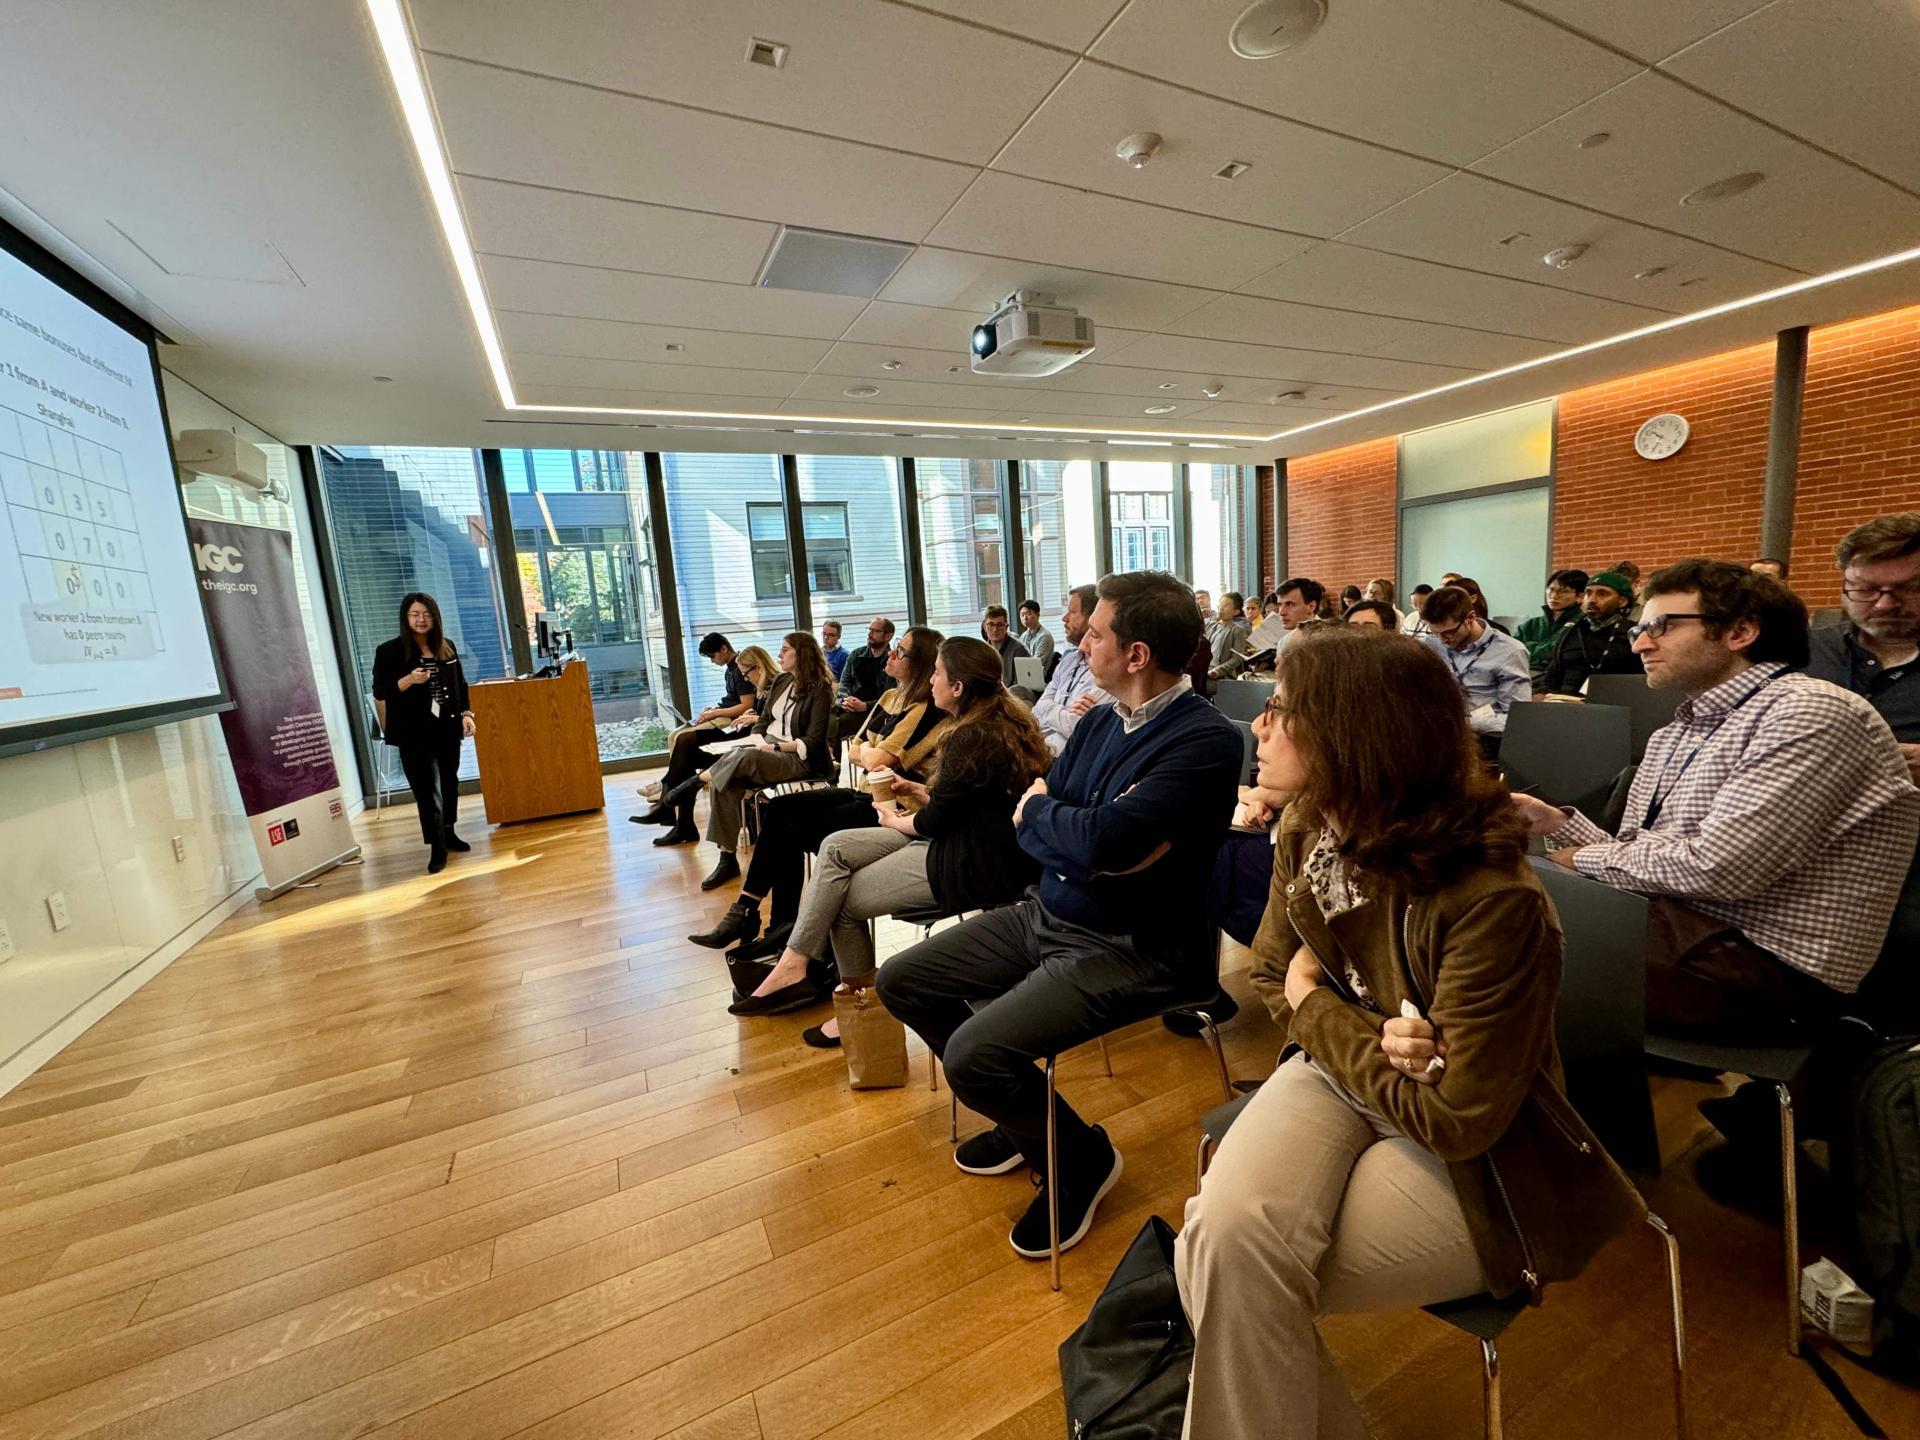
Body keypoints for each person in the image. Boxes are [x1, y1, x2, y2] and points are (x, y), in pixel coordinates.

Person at [1175, 626, 1645, 1440]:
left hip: (1486, 1158)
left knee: (1225, 1264)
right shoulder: (1313, 823)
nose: (1257, 724)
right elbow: (1264, 973)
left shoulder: (1493, 899)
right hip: (1341, 1076)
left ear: (1350, 737)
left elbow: (1457, 1118)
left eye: (1280, 709)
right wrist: (1352, 1026)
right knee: (1223, 1252)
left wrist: (1317, 1007)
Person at [877, 571, 1243, 1260]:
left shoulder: (1206, 742)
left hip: (1137, 945)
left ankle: (1078, 1159)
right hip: (1050, 909)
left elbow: (1095, 837)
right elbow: (1038, 811)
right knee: (903, 979)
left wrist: (1065, 823)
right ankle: (1028, 1120)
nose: (1082, 640)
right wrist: (1069, 826)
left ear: (1135, 654)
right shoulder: (1103, 719)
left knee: (974, 1053)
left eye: (1095, 633)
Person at [1513, 560, 1920, 1041]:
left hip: (1769, 969)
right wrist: (1556, 823)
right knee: (1485, 915)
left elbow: (1721, 868)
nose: (1641, 642)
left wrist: (1581, 858)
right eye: (1642, 628)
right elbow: (1644, 858)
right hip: (1686, 932)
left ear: (1740, 631)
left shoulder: (1810, 711)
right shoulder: (1677, 731)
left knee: (1500, 939)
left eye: (1662, 626)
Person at [730, 636, 1051, 1037]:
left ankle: (861, 1006)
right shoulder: (992, 722)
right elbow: (970, 801)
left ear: (958, 688)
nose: (930, 680)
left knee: (840, 902)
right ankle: (795, 963)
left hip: (969, 860)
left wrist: (892, 819)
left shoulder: (970, 735)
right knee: (834, 846)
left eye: (937, 673)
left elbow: (933, 822)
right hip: (968, 840)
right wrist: (916, 791)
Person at [691, 627, 947, 954]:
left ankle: (775, 926)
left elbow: (874, 756)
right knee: (780, 809)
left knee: (790, 829)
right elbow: (855, 748)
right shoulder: (889, 698)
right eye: (896, 647)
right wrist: (871, 750)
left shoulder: (920, 709)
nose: (894, 653)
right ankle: (751, 911)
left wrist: (870, 750)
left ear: (921, 663)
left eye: (902, 651)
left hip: (892, 806)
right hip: (865, 792)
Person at [1803, 514, 1920, 1017]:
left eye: (1909, 589)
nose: (1887, 604)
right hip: (1801, 838)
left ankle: (1881, 1080)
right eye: (1867, 591)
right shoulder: (1806, 652)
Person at [679, 632, 836, 891]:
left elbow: (814, 741)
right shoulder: (783, 681)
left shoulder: (820, 690)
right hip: (767, 747)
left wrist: (772, 746)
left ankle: (696, 782)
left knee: (743, 756)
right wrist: (756, 739)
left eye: (785, 650)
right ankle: (727, 858)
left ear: (802, 654)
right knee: (728, 779)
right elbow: (763, 721)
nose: (779, 655)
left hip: (798, 757)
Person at [372, 592, 476, 874]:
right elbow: (380, 691)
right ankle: (436, 845)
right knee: (427, 789)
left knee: (449, 782)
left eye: (426, 614)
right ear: (406, 618)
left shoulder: (446, 646)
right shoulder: (390, 651)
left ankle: (449, 832)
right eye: (415, 614)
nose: (421, 620)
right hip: (413, 732)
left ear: (435, 617)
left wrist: (466, 714)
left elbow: (460, 686)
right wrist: (408, 680)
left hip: (446, 726)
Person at [636, 646, 771, 843]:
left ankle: (675, 815)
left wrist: (754, 717)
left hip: (749, 744)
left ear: (758, 667)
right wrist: (751, 715)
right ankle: (674, 812)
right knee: (683, 741)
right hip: (742, 734)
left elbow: (774, 722)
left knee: (686, 745)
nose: (745, 678)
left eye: (746, 674)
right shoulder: (759, 684)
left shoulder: (774, 685)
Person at [1419, 585, 1531, 758]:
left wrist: (1465, 724)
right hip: (1438, 731)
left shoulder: (1510, 652)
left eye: (1449, 632)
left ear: (1470, 617)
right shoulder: (1431, 644)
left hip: (1484, 738)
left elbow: (1517, 718)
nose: (1443, 640)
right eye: (1435, 633)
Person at [1031, 583, 1109, 754]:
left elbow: (1077, 727)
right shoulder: (1069, 659)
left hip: (1062, 759)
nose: (1064, 618)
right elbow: (1037, 710)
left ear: (1092, 619)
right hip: (1038, 751)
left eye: (1072, 612)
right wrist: (1059, 713)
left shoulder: (1107, 668)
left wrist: (1048, 707)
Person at [1539, 570, 1641, 697]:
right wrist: (1542, 694)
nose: (1592, 600)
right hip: (1563, 702)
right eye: (1588, 593)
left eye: (1602, 594)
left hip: (1611, 704)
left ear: (1622, 601)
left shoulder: (1632, 634)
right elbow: (1552, 674)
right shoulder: (1572, 631)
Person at [1515, 568, 1588, 670]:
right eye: (1551, 589)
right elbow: (1510, 650)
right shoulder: (1530, 624)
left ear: (1580, 596)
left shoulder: (1583, 624)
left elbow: (1558, 651)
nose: (1554, 596)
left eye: (1563, 591)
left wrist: (1528, 647)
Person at [837, 616, 895, 716]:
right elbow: (844, 682)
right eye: (869, 629)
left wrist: (865, 706)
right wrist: (845, 700)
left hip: (875, 711)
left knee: (839, 725)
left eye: (876, 631)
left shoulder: (892, 662)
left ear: (888, 636)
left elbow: (889, 697)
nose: (869, 634)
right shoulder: (856, 654)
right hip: (851, 705)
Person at [1205, 591, 1252, 676]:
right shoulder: (1211, 625)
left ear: (1236, 612)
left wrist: (1218, 671)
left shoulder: (1238, 631)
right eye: (1220, 604)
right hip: (1204, 670)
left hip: (1221, 674)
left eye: (1226, 606)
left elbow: (1237, 658)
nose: (1221, 608)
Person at [981, 603, 1029, 686]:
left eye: (999, 625)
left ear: (1006, 627)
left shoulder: (1019, 650)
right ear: (985, 627)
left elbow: (1021, 689)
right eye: (991, 624)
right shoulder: (982, 651)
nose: (995, 630)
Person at [1274, 577, 1325, 652]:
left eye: (1289, 604)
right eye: (1280, 605)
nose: (1281, 613)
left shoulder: (1329, 640)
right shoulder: (1285, 640)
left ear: (1311, 606)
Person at [1016, 599, 1056, 672]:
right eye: (1022, 615)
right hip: (1026, 675)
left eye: (1028, 614)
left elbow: (1036, 664)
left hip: (1039, 679)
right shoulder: (1024, 636)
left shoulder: (1045, 636)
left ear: (1038, 615)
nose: (1025, 618)